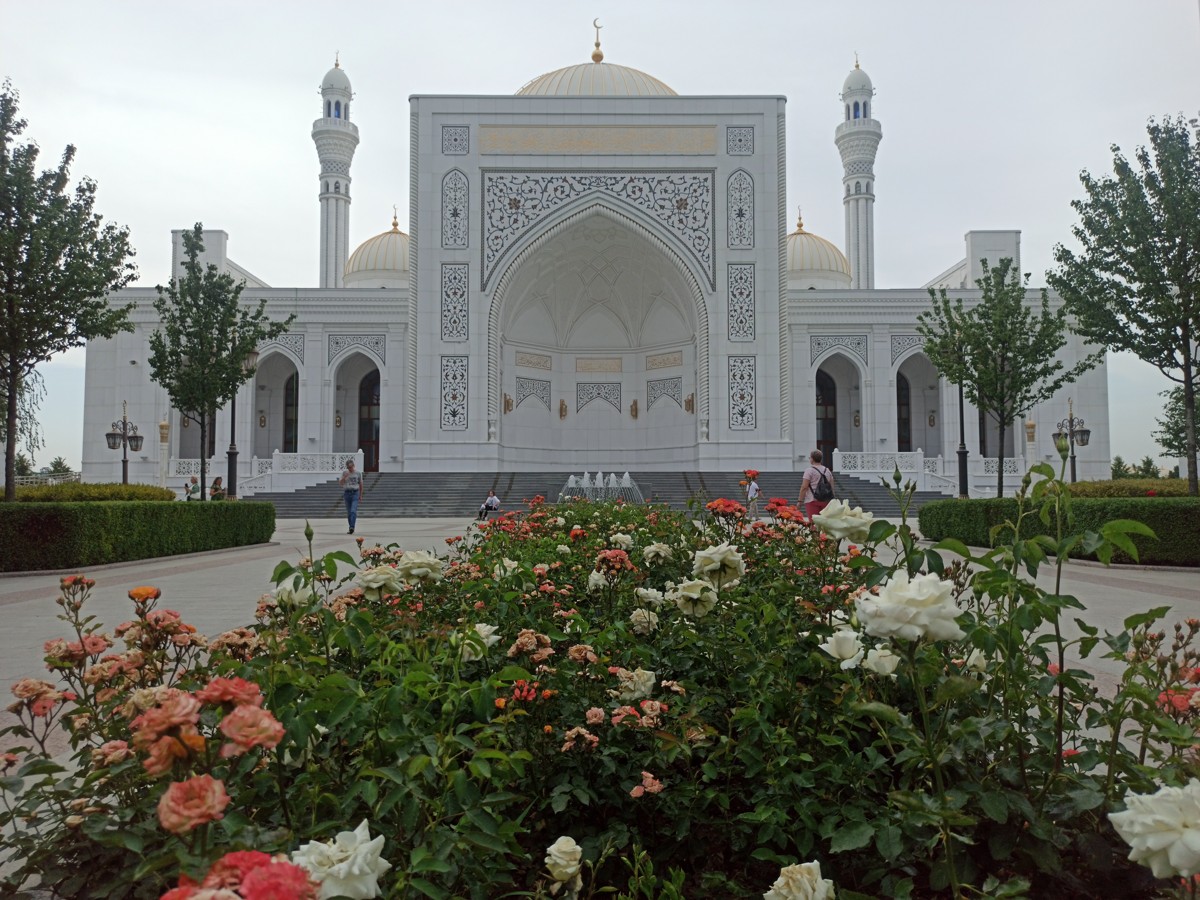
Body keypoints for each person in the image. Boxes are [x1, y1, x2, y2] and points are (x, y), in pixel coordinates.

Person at [800, 450, 836, 521]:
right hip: (826, 500)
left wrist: (800, 501)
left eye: (810, 458)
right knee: (824, 523)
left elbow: (804, 487)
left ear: (812, 459)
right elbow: (832, 487)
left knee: (813, 523)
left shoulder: (809, 471)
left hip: (812, 500)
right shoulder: (827, 470)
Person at [339, 458, 363, 534]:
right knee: (349, 512)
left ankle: (352, 526)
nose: (350, 469)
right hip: (347, 493)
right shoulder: (344, 473)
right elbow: (341, 483)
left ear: (353, 466)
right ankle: (351, 527)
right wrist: (344, 477)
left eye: (351, 467)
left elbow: (361, 484)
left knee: (353, 511)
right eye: (348, 467)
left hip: (355, 493)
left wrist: (360, 495)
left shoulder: (358, 473)